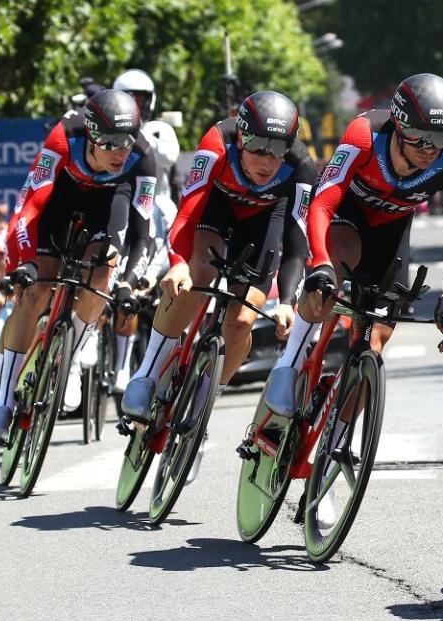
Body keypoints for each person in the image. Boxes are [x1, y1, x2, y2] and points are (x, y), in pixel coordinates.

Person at [263, 73, 443, 418]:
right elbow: (323, 204)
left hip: (391, 232)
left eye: (440, 137)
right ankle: (288, 365)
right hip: (346, 211)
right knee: (336, 269)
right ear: (400, 124)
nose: (428, 148)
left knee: (375, 342)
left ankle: (336, 437)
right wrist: (321, 264)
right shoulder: (365, 133)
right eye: (419, 136)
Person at [121, 91, 316, 426]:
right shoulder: (217, 142)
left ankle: (203, 406)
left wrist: (287, 300)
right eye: (258, 149)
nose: (268, 161)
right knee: (198, 276)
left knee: (241, 321)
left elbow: (297, 243)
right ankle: (147, 373)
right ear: (241, 139)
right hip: (216, 206)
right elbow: (187, 212)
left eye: (278, 150)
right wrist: (178, 261)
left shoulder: (301, 165)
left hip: (263, 221)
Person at [0, 89, 157, 446]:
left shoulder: (141, 157)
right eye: (110, 143)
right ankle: (2, 402)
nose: (120, 152)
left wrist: (130, 282)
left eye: (127, 142)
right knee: (36, 290)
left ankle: (70, 354)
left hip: (109, 203)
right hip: (59, 200)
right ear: (91, 135)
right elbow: (28, 207)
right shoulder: (64, 136)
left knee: (103, 270)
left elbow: (141, 234)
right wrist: (24, 262)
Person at [111, 68, 181, 392]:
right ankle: (115, 364)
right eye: (131, 99)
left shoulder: (158, 129)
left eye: (142, 99)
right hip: (117, 202)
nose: (137, 105)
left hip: (158, 203)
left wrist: (143, 134)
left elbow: (169, 156)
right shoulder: (109, 127)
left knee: (158, 249)